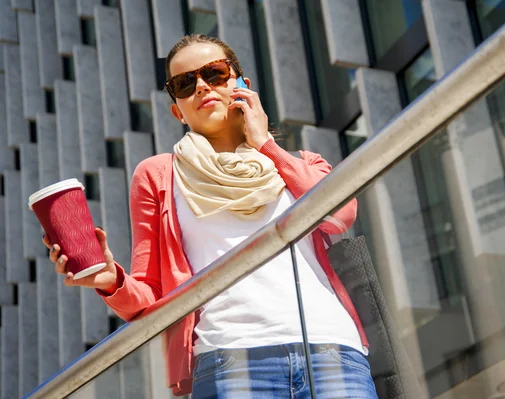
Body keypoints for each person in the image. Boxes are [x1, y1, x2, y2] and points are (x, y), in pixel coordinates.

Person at [43, 34, 377, 398]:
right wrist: (110, 280)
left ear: (241, 85)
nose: (201, 87)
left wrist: (265, 143)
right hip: (229, 361)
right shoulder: (159, 175)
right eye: (185, 84)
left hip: (332, 351)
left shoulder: (302, 164)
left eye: (215, 74)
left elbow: (340, 214)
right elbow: (150, 296)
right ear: (177, 110)